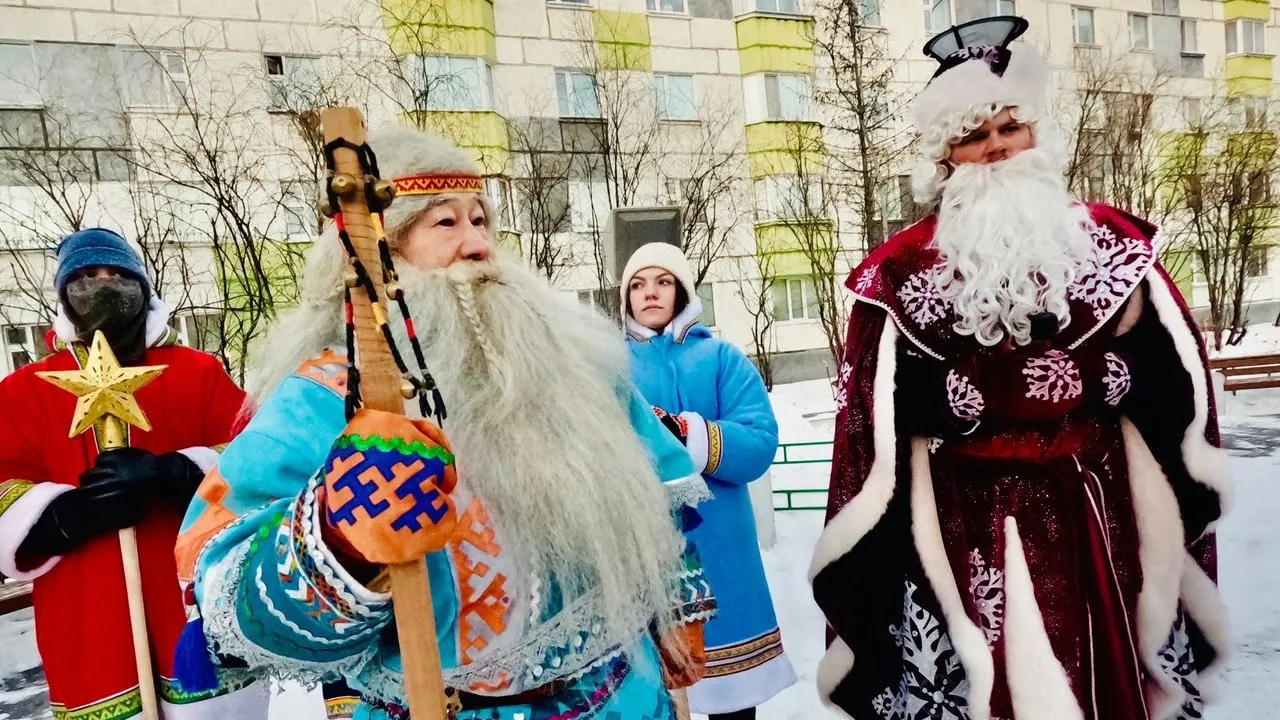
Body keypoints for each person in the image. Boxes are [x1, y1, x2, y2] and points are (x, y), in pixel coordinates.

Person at [176, 126, 716, 720]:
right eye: (445, 223)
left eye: (481, 220)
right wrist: (337, 533)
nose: (477, 244)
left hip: (621, 695)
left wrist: (674, 608)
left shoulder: (568, 360)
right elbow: (220, 579)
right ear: (385, 250)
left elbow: (654, 487)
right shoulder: (332, 394)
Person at [810, 17, 1231, 720]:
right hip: (957, 520)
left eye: (1010, 128)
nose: (997, 148)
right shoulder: (897, 272)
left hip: (1093, 513)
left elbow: (1172, 374)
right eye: (974, 137)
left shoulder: (1107, 242)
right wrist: (954, 395)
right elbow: (868, 411)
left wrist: (1100, 378)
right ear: (945, 156)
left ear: (1036, 134)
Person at [0, 228, 269, 718]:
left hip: (194, 600)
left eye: (118, 275)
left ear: (144, 289)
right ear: (63, 295)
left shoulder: (198, 373)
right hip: (87, 608)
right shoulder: (23, 391)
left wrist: (178, 473)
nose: (103, 286)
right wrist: (65, 516)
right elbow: (3, 484)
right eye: (85, 277)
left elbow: (257, 459)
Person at [621, 242, 794, 719]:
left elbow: (758, 444)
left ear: (681, 291)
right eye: (637, 285)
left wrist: (685, 433)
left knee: (732, 701)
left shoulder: (721, 358)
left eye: (662, 282)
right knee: (644, 697)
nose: (649, 293)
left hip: (719, 547)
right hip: (637, 546)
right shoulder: (607, 364)